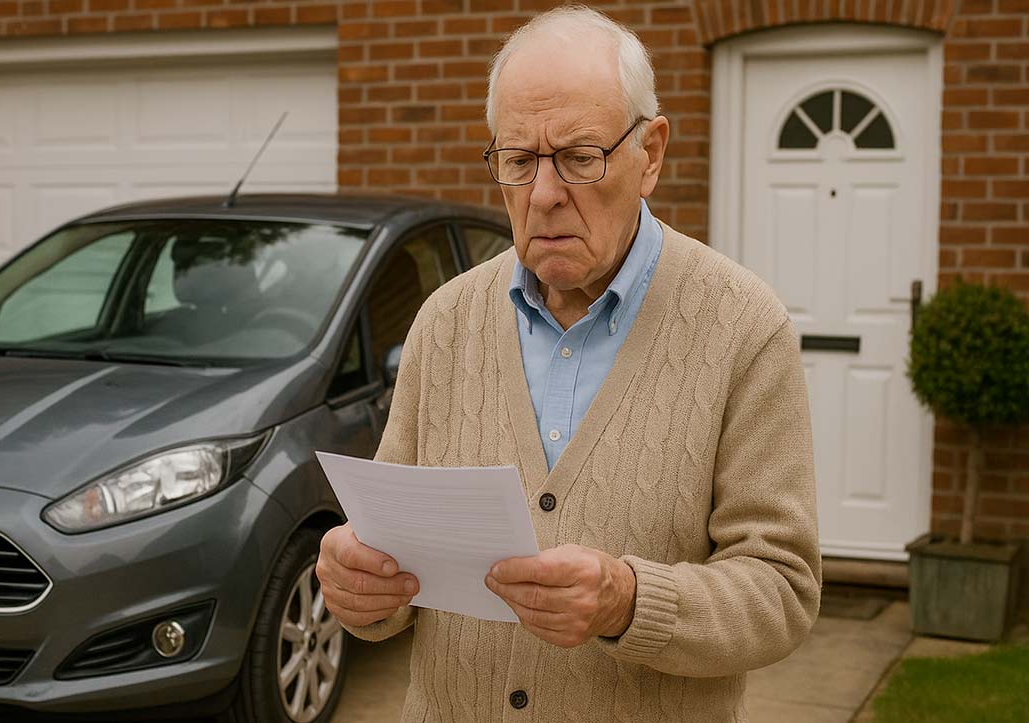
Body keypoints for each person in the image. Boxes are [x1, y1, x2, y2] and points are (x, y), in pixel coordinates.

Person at [315, 5, 821, 721]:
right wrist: (360, 591)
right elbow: (391, 567)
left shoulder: (744, 327)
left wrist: (629, 601)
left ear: (651, 153)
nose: (544, 194)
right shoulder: (445, 321)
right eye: (518, 161)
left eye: (580, 157)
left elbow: (782, 589)